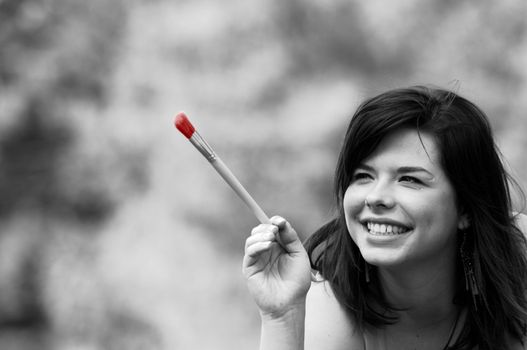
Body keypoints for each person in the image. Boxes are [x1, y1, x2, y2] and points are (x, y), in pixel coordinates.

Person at [242, 86, 527, 350]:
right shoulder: (329, 311)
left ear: (466, 208)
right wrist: (282, 316)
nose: (375, 197)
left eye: (409, 179)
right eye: (363, 176)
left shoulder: (519, 261)